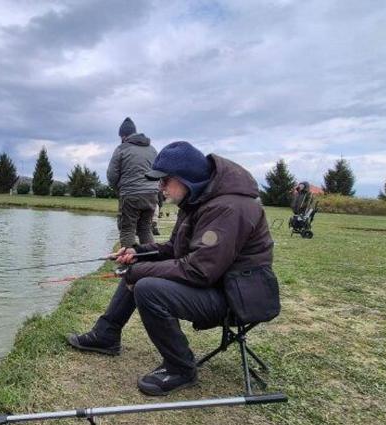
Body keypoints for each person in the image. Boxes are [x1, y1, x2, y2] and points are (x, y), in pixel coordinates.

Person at [67, 141, 278, 396]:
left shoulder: (227, 208)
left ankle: (181, 368)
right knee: (140, 267)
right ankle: (106, 335)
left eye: (165, 181)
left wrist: (138, 273)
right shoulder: (197, 199)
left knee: (147, 287)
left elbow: (199, 270)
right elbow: (174, 249)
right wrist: (137, 252)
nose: (160, 187)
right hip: (218, 284)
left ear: (185, 179)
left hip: (236, 297)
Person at [107, 117, 159, 248]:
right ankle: (150, 261)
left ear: (123, 135)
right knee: (145, 228)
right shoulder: (152, 149)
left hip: (130, 195)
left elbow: (112, 175)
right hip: (152, 195)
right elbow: (159, 171)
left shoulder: (121, 149)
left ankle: (128, 265)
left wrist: (118, 190)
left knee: (127, 229)